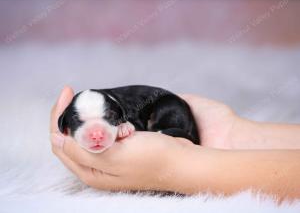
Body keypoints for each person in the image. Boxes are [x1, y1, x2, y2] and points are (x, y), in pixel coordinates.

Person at [50, 86, 300, 200]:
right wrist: (233, 133)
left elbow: (132, 121)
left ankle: (169, 131)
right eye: (80, 124)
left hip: (167, 109)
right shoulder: (109, 105)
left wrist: (179, 165)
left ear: (118, 114)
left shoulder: (126, 111)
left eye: (109, 121)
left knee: (163, 116)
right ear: (66, 124)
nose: (95, 134)